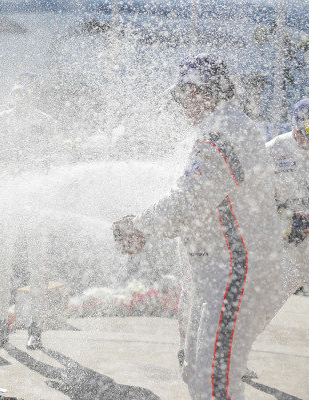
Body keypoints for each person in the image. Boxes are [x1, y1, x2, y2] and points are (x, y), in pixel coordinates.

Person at [113, 54, 283, 400]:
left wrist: (139, 225)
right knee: (196, 370)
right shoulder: (223, 127)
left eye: (180, 96)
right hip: (217, 268)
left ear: (197, 91)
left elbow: (190, 199)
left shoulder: (225, 130)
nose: (180, 106)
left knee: (214, 380)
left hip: (235, 267)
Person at [261, 99, 309, 324]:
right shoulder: (273, 150)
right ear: (294, 128)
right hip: (287, 246)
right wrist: (285, 216)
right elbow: (253, 195)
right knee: (260, 311)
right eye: (305, 132)